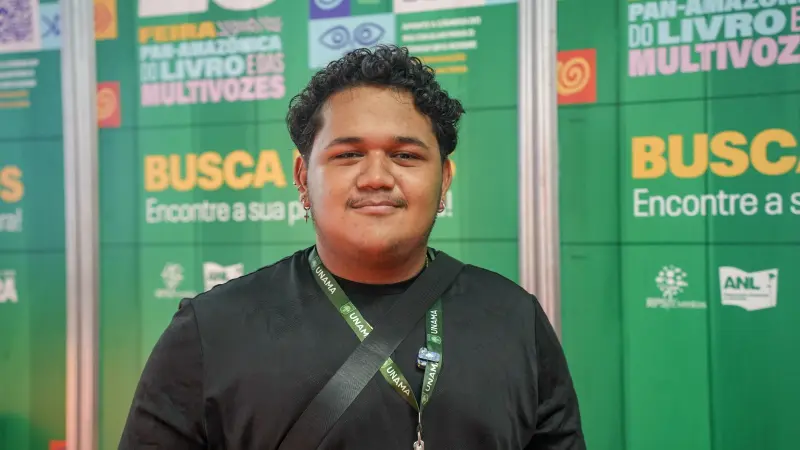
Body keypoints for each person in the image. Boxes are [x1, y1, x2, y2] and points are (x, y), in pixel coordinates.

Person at [118, 44, 585, 450]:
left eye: (405, 156)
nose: (377, 177)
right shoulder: (210, 331)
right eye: (348, 155)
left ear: (444, 179)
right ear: (303, 178)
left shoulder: (515, 321)